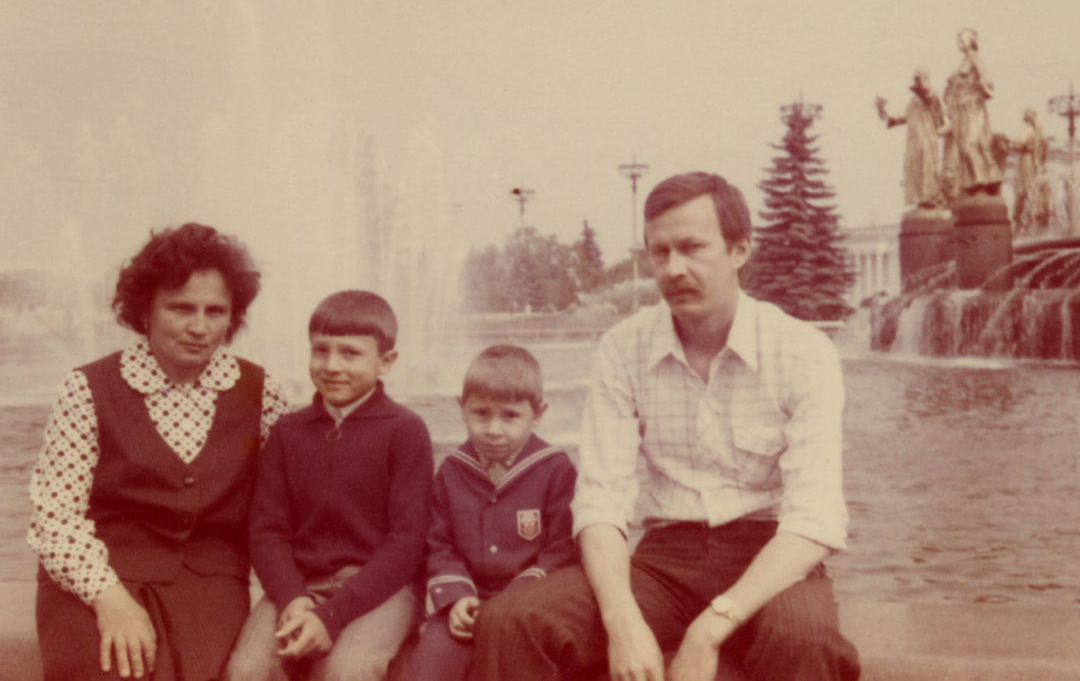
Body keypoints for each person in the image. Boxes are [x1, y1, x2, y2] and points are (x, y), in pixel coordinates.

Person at [471, 172, 860, 681]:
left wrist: (708, 631)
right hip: (664, 563)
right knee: (513, 621)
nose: (674, 268)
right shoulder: (623, 348)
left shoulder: (802, 351)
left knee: (804, 642)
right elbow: (601, 500)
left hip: (771, 559)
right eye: (660, 252)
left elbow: (815, 518)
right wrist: (623, 620)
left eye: (692, 248)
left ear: (739, 250)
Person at [28, 223, 289, 681]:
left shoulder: (261, 392)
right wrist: (110, 600)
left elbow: (287, 507)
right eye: (181, 307)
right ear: (144, 310)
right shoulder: (87, 388)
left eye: (215, 311)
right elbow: (55, 517)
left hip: (208, 587)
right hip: (96, 576)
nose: (199, 327)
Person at [224, 290, 433, 681]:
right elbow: (267, 531)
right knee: (248, 670)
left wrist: (332, 616)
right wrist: (292, 598)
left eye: (350, 353)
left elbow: (407, 543)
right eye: (320, 350)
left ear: (386, 362)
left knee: (345, 671)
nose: (332, 365)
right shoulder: (288, 432)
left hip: (381, 589)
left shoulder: (405, 431)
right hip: (300, 585)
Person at [402, 344, 577, 681]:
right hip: (466, 598)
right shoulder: (452, 471)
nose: (494, 429)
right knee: (429, 670)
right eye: (481, 413)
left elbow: (562, 549)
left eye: (510, 416)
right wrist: (457, 600)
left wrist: (516, 598)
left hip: (529, 601)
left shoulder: (555, 470)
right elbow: (440, 545)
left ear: (538, 413)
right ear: (462, 408)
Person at [942, 27, 1004, 199]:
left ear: (971, 41)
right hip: (961, 112)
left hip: (974, 108)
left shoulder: (976, 60)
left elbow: (987, 81)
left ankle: (987, 181)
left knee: (973, 143)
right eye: (959, 40)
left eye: (963, 39)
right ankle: (972, 184)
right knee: (963, 148)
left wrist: (983, 88)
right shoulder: (962, 62)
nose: (960, 42)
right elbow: (953, 88)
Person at [876, 69, 949, 211]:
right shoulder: (913, 101)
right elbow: (904, 117)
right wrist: (884, 113)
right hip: (914, 140)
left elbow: (930, 100)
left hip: (927, 138)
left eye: (919, 78)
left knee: (927, 167)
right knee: (914, 168)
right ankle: (921, 200)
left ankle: (932, 199)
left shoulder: (931, 94)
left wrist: (920, 89)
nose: (916, 81)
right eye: (915, 78)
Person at [1010, 108, 1050, 233]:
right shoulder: (1039, 132)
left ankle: (1023, 217)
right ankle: (1037, 210)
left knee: (1024, 188)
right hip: (1035, 163)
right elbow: (1045, 149)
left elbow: (1018, 143)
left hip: (1026, 161)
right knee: (1034, 187)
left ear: (1026, 118)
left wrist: (1008, 143)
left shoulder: (1028, 130)